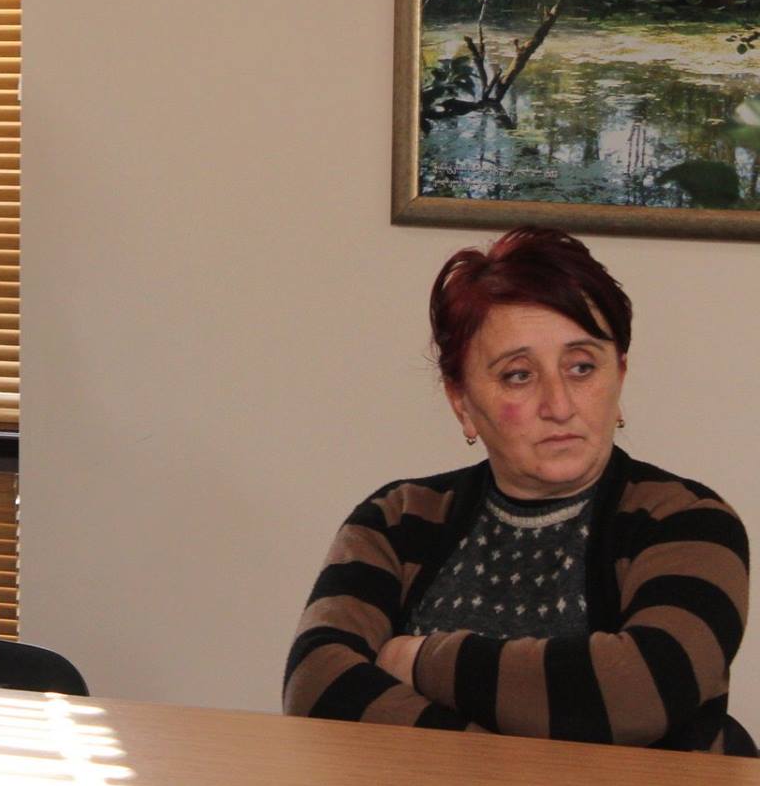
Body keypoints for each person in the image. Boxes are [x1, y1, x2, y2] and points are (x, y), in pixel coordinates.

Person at [284, 227, 752, 753]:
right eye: (518, 375)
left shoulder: (689, 521)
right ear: (461, 401)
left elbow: (641, 692)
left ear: (619, 375)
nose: (559, 405)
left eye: (582, 367)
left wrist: (417, 660)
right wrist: (505, 767)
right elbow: (316, 686)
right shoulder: (396, 521)